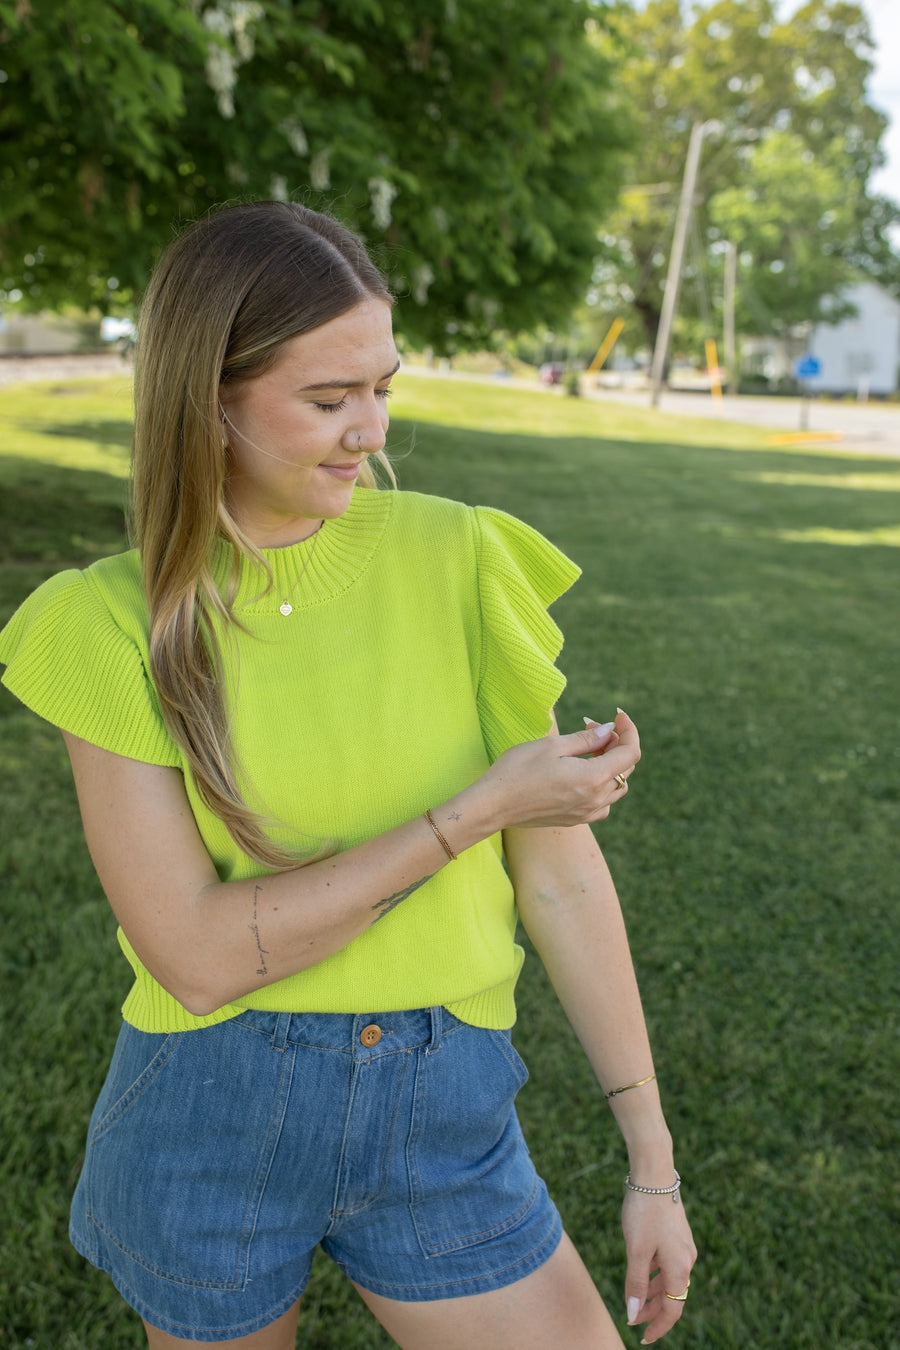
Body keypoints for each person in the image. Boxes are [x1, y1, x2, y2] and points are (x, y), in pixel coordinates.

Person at [0, 200, 696, 1349]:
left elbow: (561, 877)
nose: (369, 430)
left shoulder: (460, 556)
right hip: (204, 1109)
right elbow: (202, 955)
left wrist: (653, 1164)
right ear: (208, 400)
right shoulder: (104, 624)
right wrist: (477, 811)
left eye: (384, 387)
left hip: (445, 1110)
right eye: (327, 401)